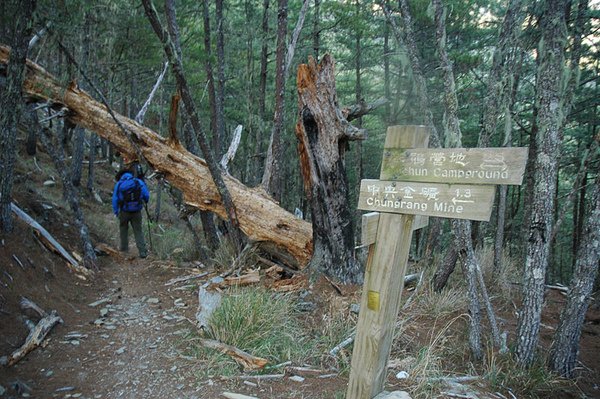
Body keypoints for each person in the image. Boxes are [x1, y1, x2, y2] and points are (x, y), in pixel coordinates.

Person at [112, 170, 150, 258]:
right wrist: (145, 201)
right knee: (138, 231)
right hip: (137, 211)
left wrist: (116, 211)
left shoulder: (119, 184)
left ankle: (124, 249)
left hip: (124, 211)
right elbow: (146, 195)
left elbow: (115, 199)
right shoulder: (138, 181)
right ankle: (142, 252)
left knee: (123, 229)